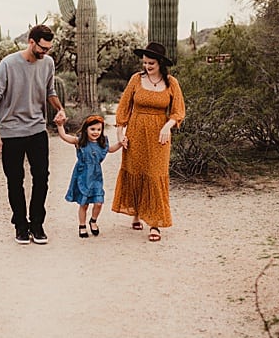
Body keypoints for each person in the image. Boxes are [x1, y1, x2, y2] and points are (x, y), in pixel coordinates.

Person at [0, 24, 68, 245]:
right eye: (42, 48)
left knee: (42, 178)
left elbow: (50, 90)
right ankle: (21, 226)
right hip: (11, 132)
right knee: (15, 180)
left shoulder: (47, 63)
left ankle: (37, 225)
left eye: (49, 49)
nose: (45, 53)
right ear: (31, 42)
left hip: (37, 130)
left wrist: (59, 109)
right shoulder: (8, 64)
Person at [112, 42, 186, 244]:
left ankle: (155, 222)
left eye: (151, 63)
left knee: (155, 175)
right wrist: (121, 134)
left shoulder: (172, 83)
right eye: (144, 62)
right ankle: (136, 214)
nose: (147, 66)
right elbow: (124, 107)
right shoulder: (136, 79)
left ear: (160, 62)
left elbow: (178, 111)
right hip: (136, 132)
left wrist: (167, 126)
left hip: (159, 135)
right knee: (136, 170)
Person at [56, 114, 124, 238]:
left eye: (99, 129)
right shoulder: (80, 141)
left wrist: (121, 143)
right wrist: (60, 126)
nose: (96, 132)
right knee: (84, 203)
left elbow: (111, 149)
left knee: (98, 202)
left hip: (96, 176)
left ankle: (93, 220)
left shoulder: (102, 142)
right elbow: (65, 137)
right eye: (92, 129)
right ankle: (82, 225)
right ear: (86, 129)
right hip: (82, 175)